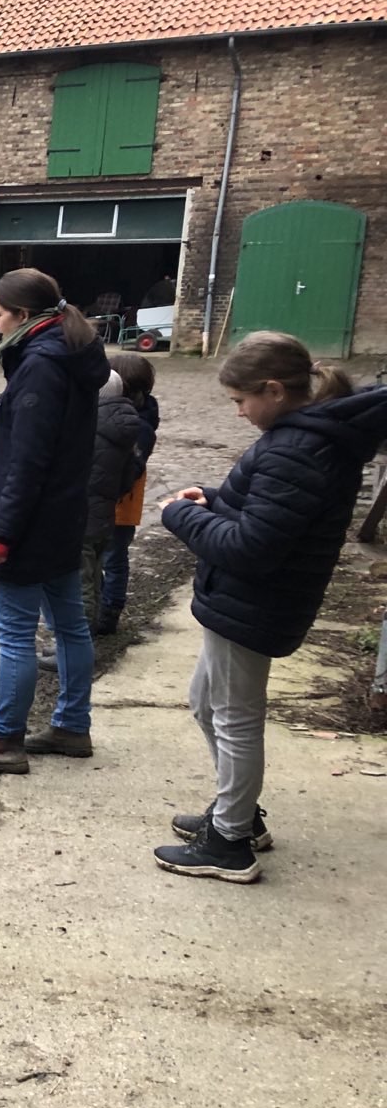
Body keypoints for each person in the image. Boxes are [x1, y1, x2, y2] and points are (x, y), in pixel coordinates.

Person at [152, 333, 387, 883]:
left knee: (234, 717)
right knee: (205, 703)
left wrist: (180, 517)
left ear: (275, 390)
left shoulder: (296, 447)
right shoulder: (302, 437)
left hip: (254, 601)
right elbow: (270, 510)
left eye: (241, 401)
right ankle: (239, 813)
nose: (238, 413)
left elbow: (252, 548)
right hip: (243, 600)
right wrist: (213, 499)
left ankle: (231, 841)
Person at [0, 268, 110, 774]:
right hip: (63, 519)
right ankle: (71, 726)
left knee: (16, 636)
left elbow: (28, 462)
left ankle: (4, 742)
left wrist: (0, 532)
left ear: (23, 315)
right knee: (70, 626)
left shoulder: (42, 365)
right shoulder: (69, 353)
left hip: (29, 526)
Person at [97, 353, 160, 635]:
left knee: (113, 557)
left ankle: (109, 609)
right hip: (104, 501)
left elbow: (132, 466)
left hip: (120, 503)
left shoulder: (139, 424)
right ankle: (99, 604)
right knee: (98, 557)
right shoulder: (120, 414)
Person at [80, 369, 143, 623]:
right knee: (95, 576)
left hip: (80, 517)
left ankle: (78, 640)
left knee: (80, 582)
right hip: (105, 516)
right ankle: (92, 627)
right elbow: (129, 476)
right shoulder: (124, 429)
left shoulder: (86, 429)